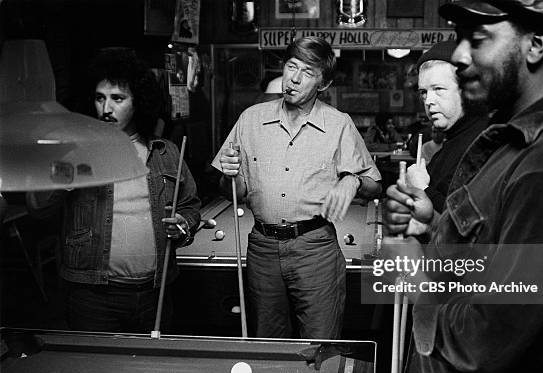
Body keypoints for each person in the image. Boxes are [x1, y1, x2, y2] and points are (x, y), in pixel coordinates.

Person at [385, 0, 543, 373]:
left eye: (479, 38)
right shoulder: (524, 140)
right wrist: (434, 228)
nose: (459, 55)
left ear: (535, 45)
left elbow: (487, 340)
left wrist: (415, 273)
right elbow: (514, 269)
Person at [213, 36, 382, 339]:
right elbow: (231, 190)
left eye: (307, 72)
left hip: (315, 248)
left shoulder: (339, 124)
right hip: (262, 248)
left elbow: (375, 185)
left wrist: (351, 179)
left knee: (320, 344)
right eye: (292, 66)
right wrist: (229, 176)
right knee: (268, 342)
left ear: (323, 83)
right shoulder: (250, 120)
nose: (293, 78)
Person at [27, 48, 201, 333]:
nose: (105, 109)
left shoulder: (164, 152)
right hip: (93, 298)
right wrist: (68, 173)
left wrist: (184, 225)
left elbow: (190, 207)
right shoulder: (74, 149)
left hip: (155, 295)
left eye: (117, 99)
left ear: (138, 103)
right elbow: (38, 207)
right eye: (99, 98)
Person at [409, 40, 489, 214]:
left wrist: (422, 187)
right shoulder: (454, 138)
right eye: (424, 92)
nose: (428, 101)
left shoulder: (482, 142)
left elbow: (465, 219)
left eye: (438, 89)